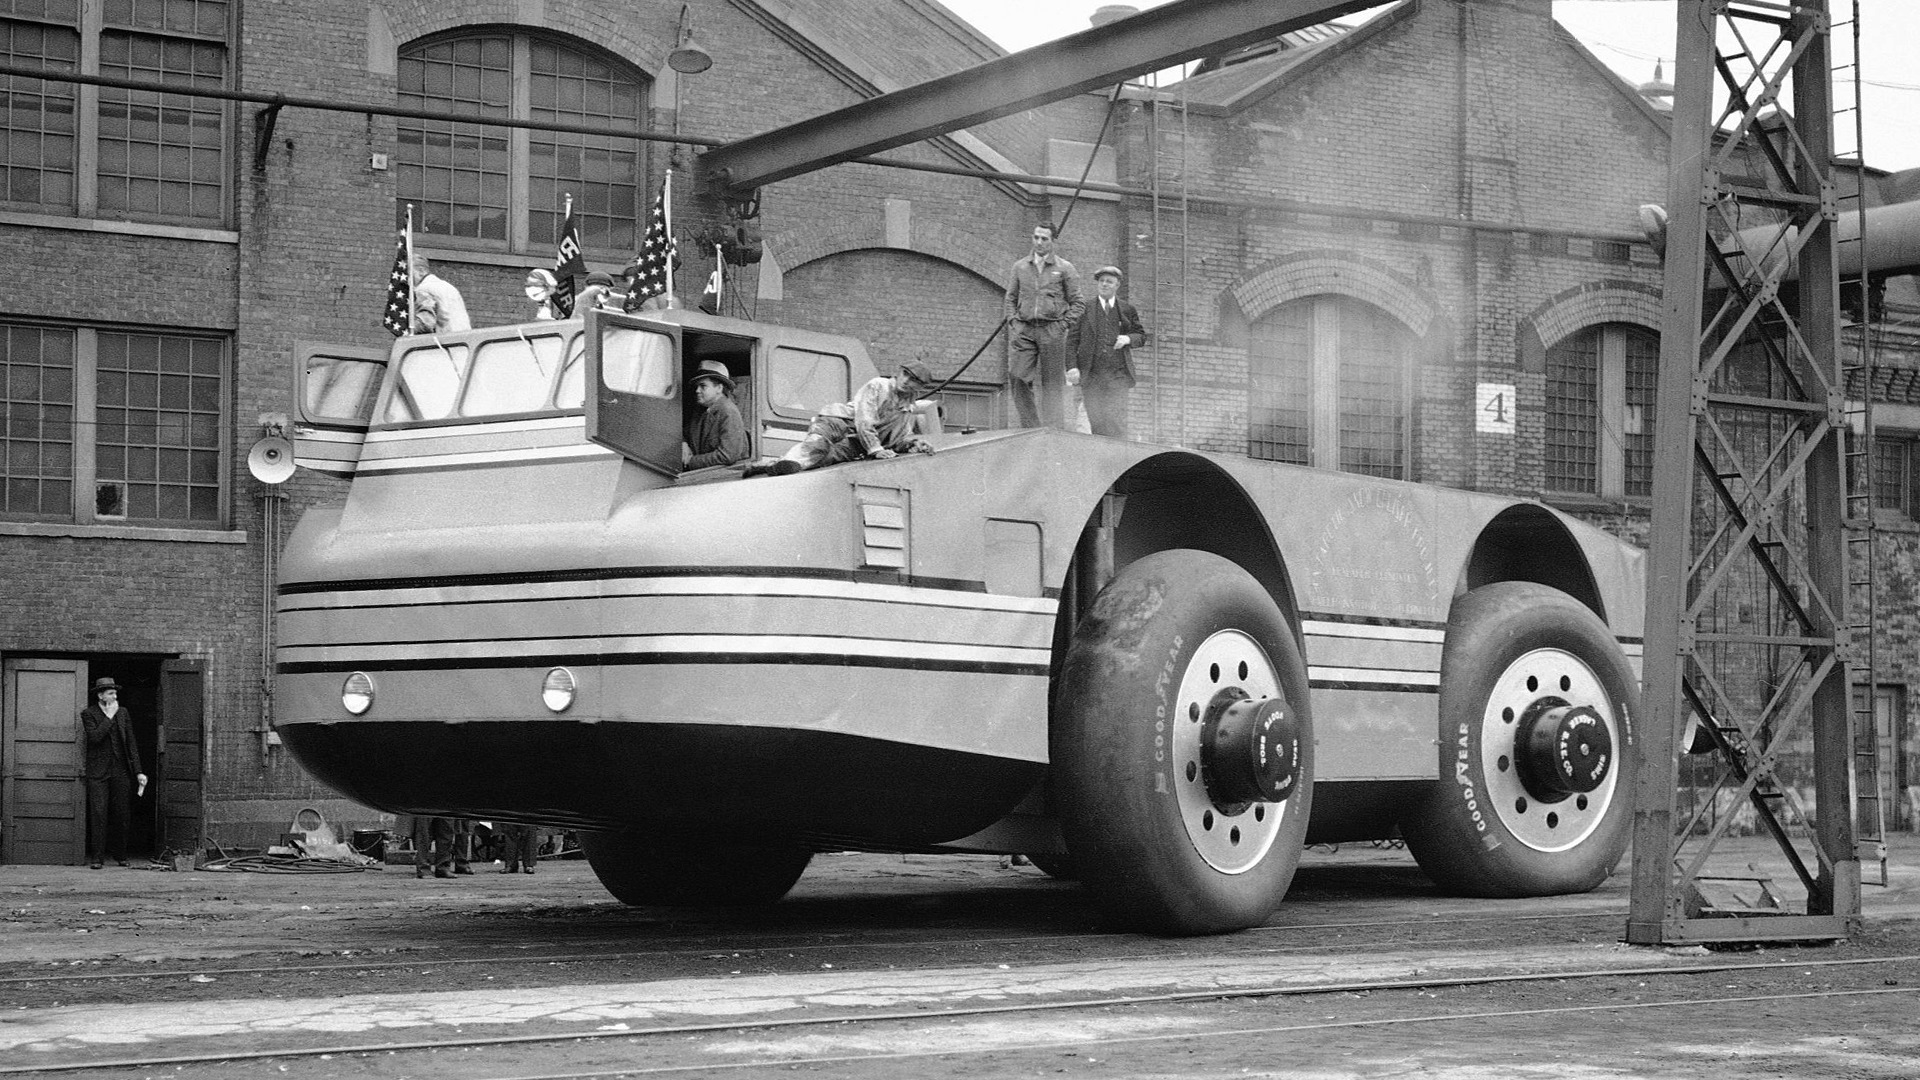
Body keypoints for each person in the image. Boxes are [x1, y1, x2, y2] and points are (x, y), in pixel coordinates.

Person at [752, 359, 938, 476]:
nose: (906, 381)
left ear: (919, 387)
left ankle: (770, 467)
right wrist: (875, 449)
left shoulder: (907, 409)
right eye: (906, 374)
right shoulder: (878, 386)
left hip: (857, 441)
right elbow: (864, 420)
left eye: (913, 380)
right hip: (839, 422)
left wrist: (914, 444)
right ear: (899, 372)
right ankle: (787, 463)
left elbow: (897, 439)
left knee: (825, 460)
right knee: (816, 446)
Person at [1004, 222, 1084, 429]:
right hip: (1025, 330)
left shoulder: (1064, 268)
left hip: (1052, 331)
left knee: (1052, 385)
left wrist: (1062, 325)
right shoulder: (1020, 266)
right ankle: (1030, 427)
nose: (1039, 242)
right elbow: (1010, 298)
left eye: (1044, 239)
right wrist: (1014, 321)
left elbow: (1078, 303)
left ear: (1053, 241)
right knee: (1018, 376)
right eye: (1036, 237)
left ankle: (1052, 430)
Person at [1069, 266, 1149, 439]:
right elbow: (1071, 341)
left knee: (1115, 419)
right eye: (1101, 281)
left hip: (1117, 374)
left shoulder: (1127, 309)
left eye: (1109, 282)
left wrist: (1127, 339)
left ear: (1117, 285)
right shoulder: (1085, 308)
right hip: (1092, 374)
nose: (1104, 285)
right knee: (1097, 422)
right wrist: (1072, 367)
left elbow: (1141, 336)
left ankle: (1119, 460)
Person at [80, 677, 144, 869]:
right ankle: (97, 858)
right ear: (100, 695)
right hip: (98, 772)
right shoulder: (88, 714)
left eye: (115, 693)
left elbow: (131, 743)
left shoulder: (123, 713)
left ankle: (121, 855)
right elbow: (95, 738)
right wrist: (108, 717)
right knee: (99, 814)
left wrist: (138, 771)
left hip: (121, 770)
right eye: (110, 693)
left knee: (122, 814)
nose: (115, 696)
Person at [684, 359, 750, 468]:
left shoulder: (728, 412)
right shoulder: (701, 411)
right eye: (697, 387)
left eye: (703, 386)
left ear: (719, 388)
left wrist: (691, 461)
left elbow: (727, 455)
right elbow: (685, 433)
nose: (697, 390)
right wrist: (684, 444)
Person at [410, 253, 471, 333]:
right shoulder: (449, 287)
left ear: (421, 271)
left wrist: (407, 332)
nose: (407, 279)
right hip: (464, 341)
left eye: (409, 273)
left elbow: (426, 322)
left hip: (444, 342)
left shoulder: (423, 289)